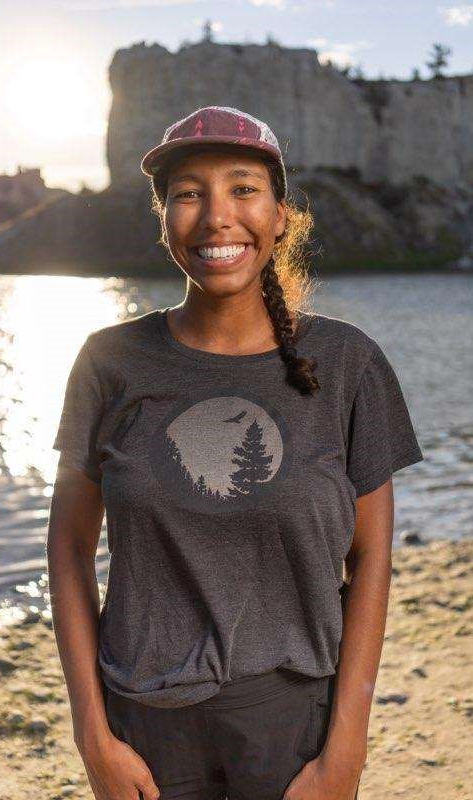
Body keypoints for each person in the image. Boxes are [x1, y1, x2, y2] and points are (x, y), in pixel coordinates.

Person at [47, 106, 424, 800]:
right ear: (164, 219)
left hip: (293, 727)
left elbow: (371, 558)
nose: (217, 216)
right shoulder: (109, 362)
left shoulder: (347, 364)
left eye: (243, 188)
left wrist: (346, 751)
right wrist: (92, 737)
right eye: (188, 193)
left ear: (281, 214)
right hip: (143, 720)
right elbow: (69, 548)